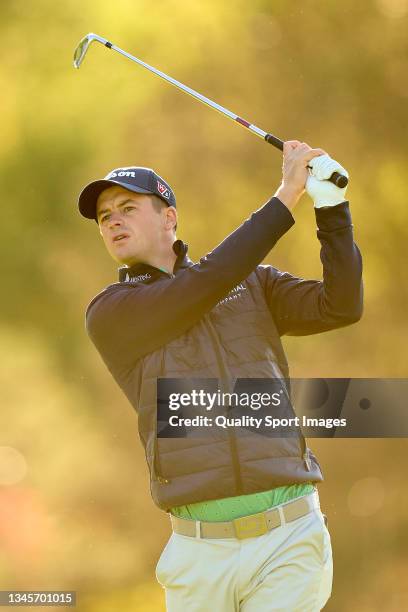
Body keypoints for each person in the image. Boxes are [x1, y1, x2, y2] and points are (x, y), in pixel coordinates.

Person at [77, 140, 363, 611]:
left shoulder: (252, 284)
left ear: (169, 217)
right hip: (198, 552)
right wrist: (285, 195)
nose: (112, 221)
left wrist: (331, 209)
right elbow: (204, 284)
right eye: (104, 216)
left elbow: (341, 305)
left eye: (126, 208)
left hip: (288, 536)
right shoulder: (111, 313)